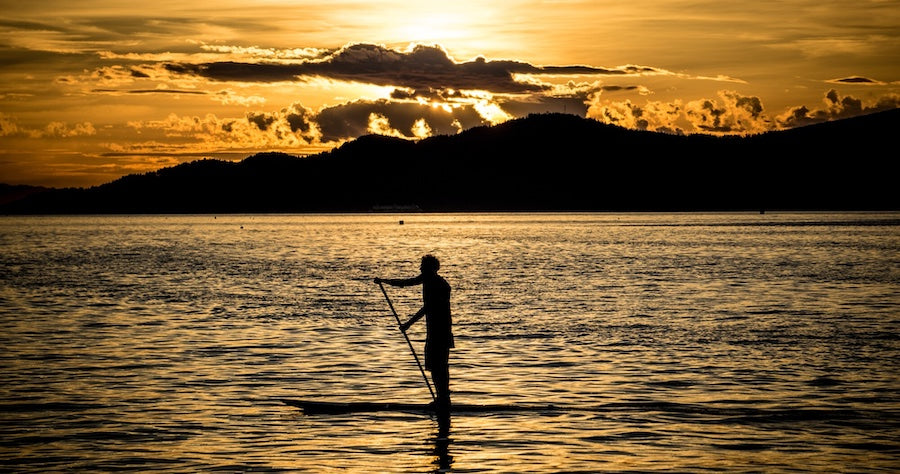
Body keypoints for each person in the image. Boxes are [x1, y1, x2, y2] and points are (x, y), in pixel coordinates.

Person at [375, 254, 454, 413]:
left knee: (440, 367)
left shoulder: (440, 285)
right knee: (433, 366)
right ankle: (440, 399)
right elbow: (406, 283)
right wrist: (384, 282)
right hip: (433, 332)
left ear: (431, 268)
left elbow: (428, 308)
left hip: (441, 332)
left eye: (423, 266)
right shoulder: (427, 279)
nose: (420, 269)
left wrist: (408, 325)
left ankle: (444, 400)